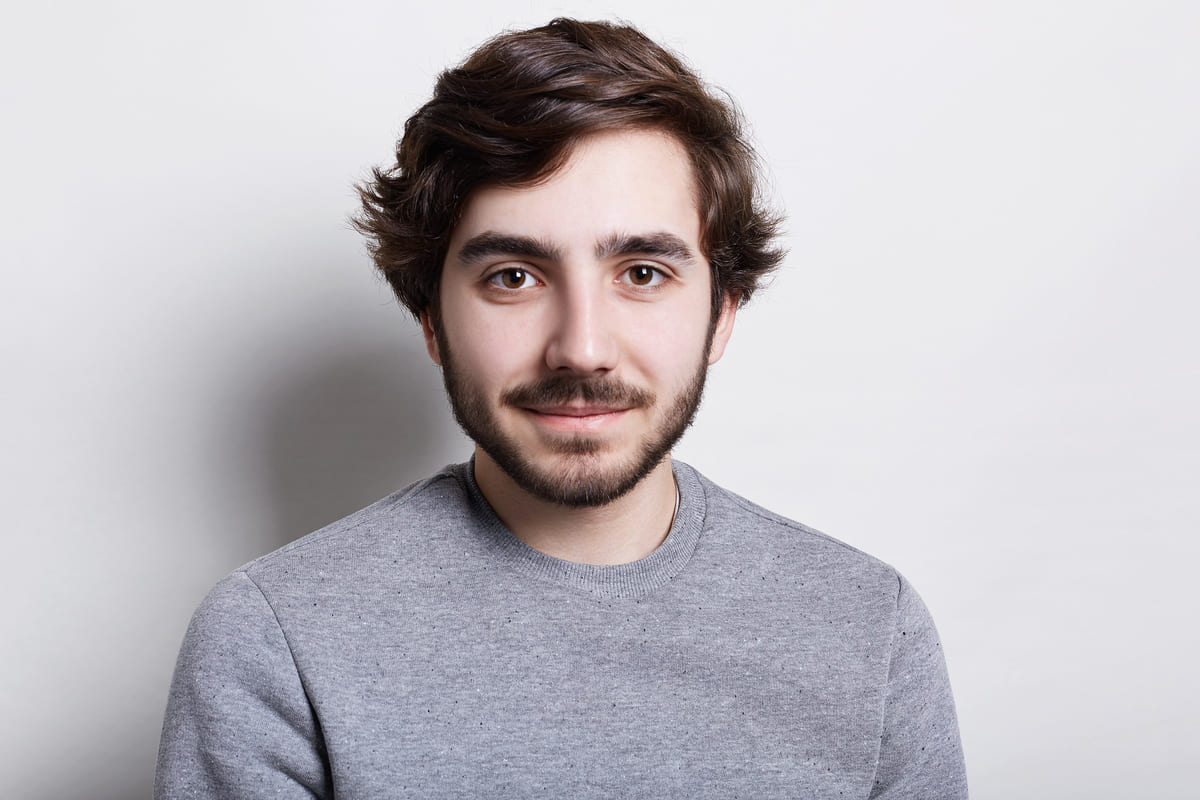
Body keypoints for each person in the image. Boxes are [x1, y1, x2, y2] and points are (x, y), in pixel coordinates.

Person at [155, 18, 967, 799]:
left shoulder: (867, 629)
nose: (581, 349)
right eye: (514, 275)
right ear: (433, 319)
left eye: (643, 272)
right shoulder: (274, 639)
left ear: (721, 313)